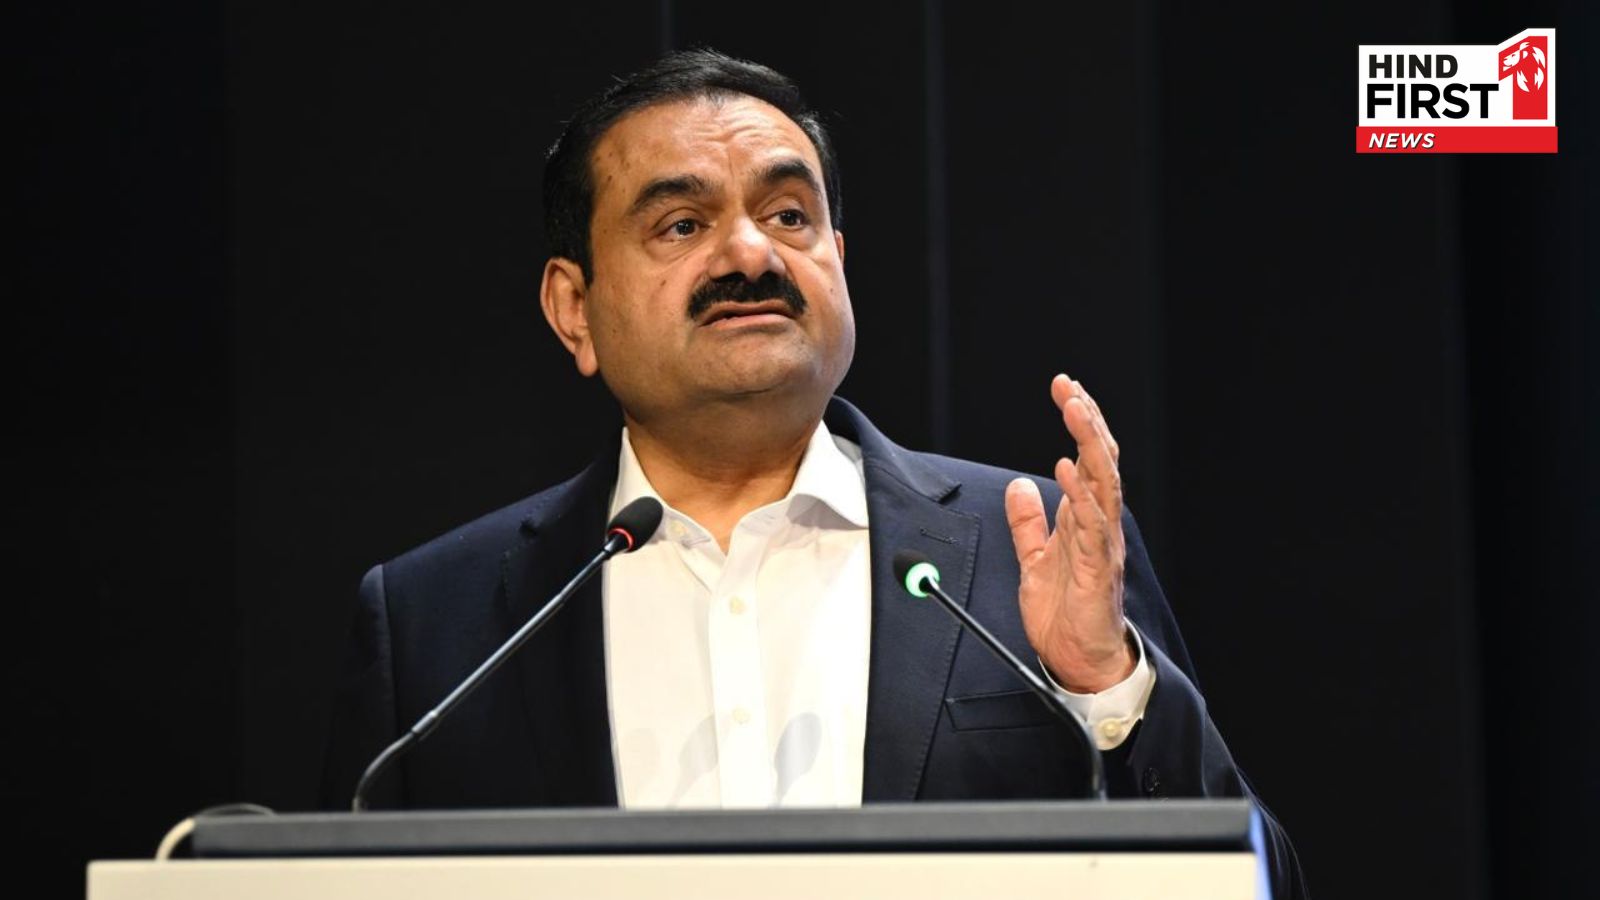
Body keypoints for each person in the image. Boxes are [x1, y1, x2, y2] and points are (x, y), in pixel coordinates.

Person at [323, 49, 1306, 896]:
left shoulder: (1030, 549)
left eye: (789, 215)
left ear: (837, 258)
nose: (750, 252)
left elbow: (1254, 880)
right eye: (681, 225)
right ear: (573, 308)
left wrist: (1108, 689)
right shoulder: (437, 623)